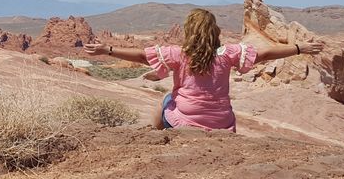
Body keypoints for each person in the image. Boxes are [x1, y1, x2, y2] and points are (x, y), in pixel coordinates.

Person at [84, 8, 323, 131]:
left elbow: (142, 57)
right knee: (226, 111)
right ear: (214, 31)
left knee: (166, 99)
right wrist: (300, 48)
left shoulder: (179, 54)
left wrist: (108, 50)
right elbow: (265, 54)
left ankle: (157, 138)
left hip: (185, 120)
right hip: (222, 122)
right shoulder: (228, 54)